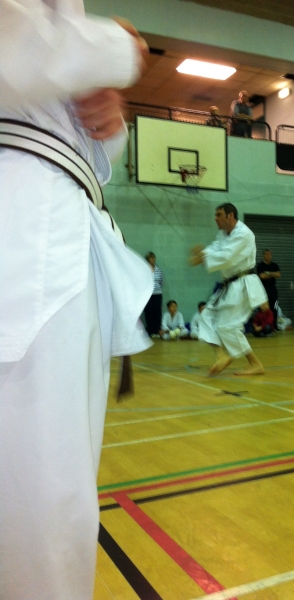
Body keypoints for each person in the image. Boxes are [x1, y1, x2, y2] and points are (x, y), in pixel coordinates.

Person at [0, 4, 151, 600]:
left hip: (57, 216)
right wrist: (117, 48)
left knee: (54, 490)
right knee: (43, 501)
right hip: (22, 221)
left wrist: (105, 121)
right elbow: (15, 44)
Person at [190, 203, 267, 376]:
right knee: (206, 317)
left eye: (219, 214)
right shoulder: (223, 233)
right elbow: (216, 247)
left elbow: (228, 257)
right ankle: (221, 355)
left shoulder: (244, 234)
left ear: (230, 216)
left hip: (243, 284)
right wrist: (203, 254)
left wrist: (204, 257)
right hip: (230, 286)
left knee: (228, 326)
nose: (215, 218)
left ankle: (255, 364)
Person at [257, 249, 281, 329]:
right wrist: (272, 274)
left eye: (269, 254)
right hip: (263, 289)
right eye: (266, 254)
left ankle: (274, 326)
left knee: (274, 307)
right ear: (263, 255)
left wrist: (268, 273)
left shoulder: (274, 265)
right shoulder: (260, 266)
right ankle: (263, 326)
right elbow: (262, 276)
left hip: (273, 289)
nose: (268, 256)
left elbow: (278, 275)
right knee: (263, 308)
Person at [143, 251, 164, 337]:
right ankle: (151, 331)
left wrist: (156, 288)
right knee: (149, 313)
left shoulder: (158, 270)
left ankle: (157, 331)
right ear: (148, 259)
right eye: (151, 258)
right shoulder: (144, 269)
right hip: (148, 295)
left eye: (154, 258)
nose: (153, 259)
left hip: (157, 294)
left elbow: (161, 282)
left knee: (157, 312)